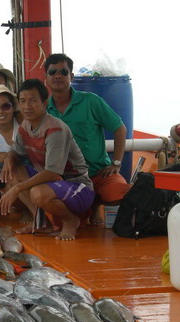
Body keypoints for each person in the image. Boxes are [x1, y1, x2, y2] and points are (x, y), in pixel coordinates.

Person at [0, 79, 95, 241]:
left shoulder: (55, 129)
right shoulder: (25, 125)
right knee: (11, 170)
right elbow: (16, 152)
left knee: (37, 193)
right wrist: (9, 159)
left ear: (45, 103)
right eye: (23, 101)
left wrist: (16, 189)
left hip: (78, 186)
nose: (27, 106)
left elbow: (52, 172)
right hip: (53, 183)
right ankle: (41, 222)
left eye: (33, 101)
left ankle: (70, 220)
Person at [44, 53, 131, 225]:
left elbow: (120, 128)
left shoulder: (91, 101)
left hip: (99, 172)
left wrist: (116, 163)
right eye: (52, 72)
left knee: (120, 193)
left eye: (63, 71)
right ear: (45, 77)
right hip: (67, 178)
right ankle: (88, 208)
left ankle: (96, 203)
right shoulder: (44, 109)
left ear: (72, 76)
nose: (58, 76)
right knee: (63, 222)